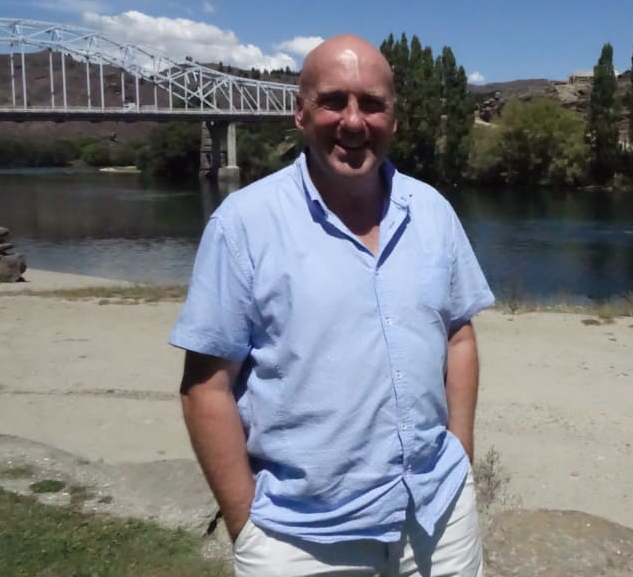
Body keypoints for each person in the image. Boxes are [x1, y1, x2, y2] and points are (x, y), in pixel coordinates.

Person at [172, 34, 494, 577]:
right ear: (300, 113)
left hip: (438, 516)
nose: (352, 121)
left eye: (372, 104)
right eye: (333, 101)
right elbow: (206, 386)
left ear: (394, 118)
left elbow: (458, 336)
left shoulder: (432, 212)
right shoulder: (243, 224)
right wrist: (245, 524)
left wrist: (458, 454)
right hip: (302, 537)